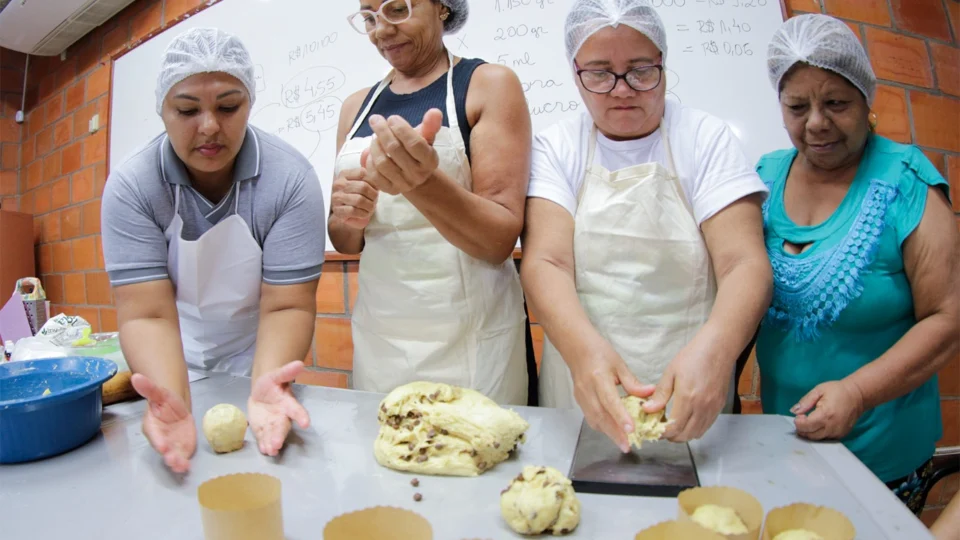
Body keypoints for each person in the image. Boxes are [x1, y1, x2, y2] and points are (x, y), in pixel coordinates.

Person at [520, 0, 772, 452]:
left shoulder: (703, 138)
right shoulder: (557, 145)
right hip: (582, 381)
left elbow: (744, 264)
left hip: (691, 387)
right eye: (599, 73)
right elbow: (547, 262)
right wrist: (582, 354)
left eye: (640, 70)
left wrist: (716, 355)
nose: (621, 90)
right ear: (575, 71)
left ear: (663, 64)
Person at [756, 14, 958, 515]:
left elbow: (948, 319)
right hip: (784, 442)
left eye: (836, 104)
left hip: (882, 453)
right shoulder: (762, 177)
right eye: (797, 107)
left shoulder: (907, 181)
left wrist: (858, 391)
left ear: (868, 100)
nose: (817, 124)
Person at [101, 28, 326, 472]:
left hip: (258, 351)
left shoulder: (290, 180)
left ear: (250, 103)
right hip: (170, 349)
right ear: (162, 111)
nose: (209, 127)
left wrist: (266, 386)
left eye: (228, 106)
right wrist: (170, 400)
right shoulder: (133, 187)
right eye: (186, 109)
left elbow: (285, 307)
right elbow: (148, 314)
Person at [328, 0, 534, 405]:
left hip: (471, 342)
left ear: (442, 7)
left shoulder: (487, 84)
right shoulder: (356, 107)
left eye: (398, 9)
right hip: (382, 341)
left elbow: (498, 240)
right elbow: (346, 241)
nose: (381, 30)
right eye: (369, 17)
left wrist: (420, 182)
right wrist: (348, 215)